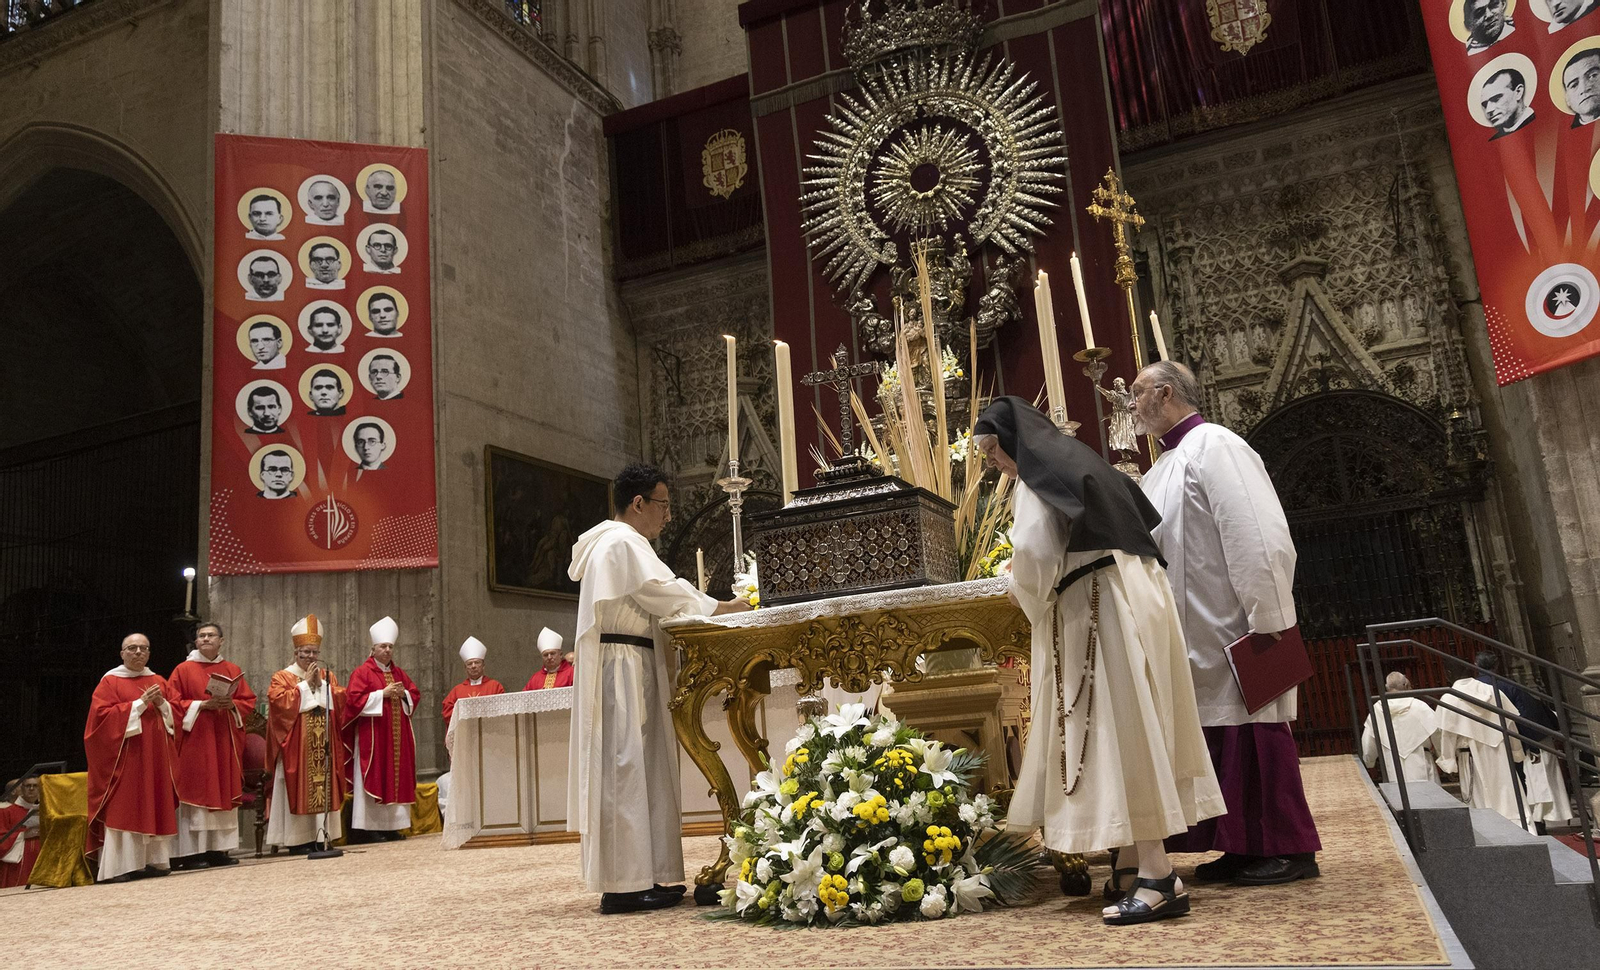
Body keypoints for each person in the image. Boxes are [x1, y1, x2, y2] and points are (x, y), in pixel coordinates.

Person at [972, 398, 1224, 927]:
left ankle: (1159, 876)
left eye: (994, 449)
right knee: (1139, 724)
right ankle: (1133, 862)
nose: (992, 460)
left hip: (1095, 609)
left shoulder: (1035, 480)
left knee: (1117, 730)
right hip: (1134, 597)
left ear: (1017, 442)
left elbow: (1035, 559)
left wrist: (1027, 596)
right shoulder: (1086, 463)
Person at [1130, 360, 1323, 887]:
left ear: (1165, 393)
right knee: (1220, 738)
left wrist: (1269, 618)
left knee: (1254, 733)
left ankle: (1287, 847)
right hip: (1193, 631)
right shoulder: (1166, 463)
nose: (1131, 404)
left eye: (1138, 393)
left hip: (1235, 625)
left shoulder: (1218, 446)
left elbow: (1257, 535)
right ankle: (1239, 845)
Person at [569, 462, 751, 914]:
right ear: (638, 503)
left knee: (640, 768)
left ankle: (648, 876)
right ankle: (624, 886)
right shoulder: (622, 542)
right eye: (664, 506)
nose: (668, 517)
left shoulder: (610, 541)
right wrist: (723, 607)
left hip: (633, 660)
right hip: (624, 667)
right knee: (626, 768)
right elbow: (663, 592)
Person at [84, 633, 180, 882]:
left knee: (154, 801)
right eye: (132, 648)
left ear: (149, 653)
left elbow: (175, 716)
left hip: (155, 755)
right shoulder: (110, 682)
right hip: (126, 758)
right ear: (122, 653)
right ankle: (120, 867)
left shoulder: (158, 680)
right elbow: (100, 721)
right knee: (126, 806)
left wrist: (162, 704)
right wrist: (138, 704)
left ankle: (153, 861)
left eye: (143, 648)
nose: (138, 652)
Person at [163, 622, 258, 871]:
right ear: (196, 642)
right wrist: (201, 706)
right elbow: (172, 705)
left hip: (223, 739)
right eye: (201, 636)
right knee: (196, 792)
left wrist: (231, 704)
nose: (205, 639)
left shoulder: (231, 668)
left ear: (221, 641)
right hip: (196, 741)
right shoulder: (183, 670)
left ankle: (218, 850)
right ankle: (191, 852)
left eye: (210, 635)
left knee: (223, 789)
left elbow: (247, 701)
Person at [265, 614, 349, 853]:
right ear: (296, 653)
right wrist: (305, 686)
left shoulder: (327, 676)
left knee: (323, 785)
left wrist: (320, 686)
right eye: (306, 653)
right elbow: (278, 703)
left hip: (323, 745)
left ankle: (321, 837)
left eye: (314, 653)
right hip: (296, 748)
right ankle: (298, 840)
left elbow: (341, 698)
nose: (311, 657)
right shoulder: (282, 676)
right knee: (299, 786)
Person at [343, 616, 419, 843]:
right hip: (373, 737)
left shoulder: (399, 674)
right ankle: (369, 828)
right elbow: (353, 701)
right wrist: (381, 694)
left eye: (390, 647)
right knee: (376, 776)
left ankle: (391, 827)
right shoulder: (362, 673)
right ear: (373, 649)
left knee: (395, 777)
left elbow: (414, 693)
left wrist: (403, 694)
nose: (387, 650)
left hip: (396, 736)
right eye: (383, 646)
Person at [1475, 652, 1572, 829]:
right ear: (1497, 666)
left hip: (1487, 745)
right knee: (1531, 782)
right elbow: (1526, 714)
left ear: (1476, 665)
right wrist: (1530, 744)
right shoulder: (1506, 685)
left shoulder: (1473, 689)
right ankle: (1536, 822)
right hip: (1522, 740)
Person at [1437, 660, 1528, 828]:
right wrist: (1516, 751)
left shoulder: (1450, 698)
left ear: (1448, 674)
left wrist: (1449, 762)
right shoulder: (1493, 691)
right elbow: (1511, 724)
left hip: (1470, 755)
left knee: (1480, 799)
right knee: (1507, 797)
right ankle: (1520, 830)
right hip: (1500, 751)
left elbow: (1447, 734)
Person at [1360, 672, 1440, 785]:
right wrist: (1444, 756)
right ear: (1406, 685)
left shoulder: (1377, 709)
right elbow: (1437, 733)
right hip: (1421, 759)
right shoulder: (1420, 706)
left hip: (1393, 763)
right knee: (1427, 798)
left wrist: (1369, 761)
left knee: (1400, 797)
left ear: (1387, 688)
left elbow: (1369, 742)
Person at [441, 636, 506, 728]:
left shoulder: (495, 686)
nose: (473, 666)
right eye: (469, 664)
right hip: (465, 732)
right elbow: (447, 712)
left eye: (477, 662)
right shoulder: (457, 690)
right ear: (465, 668)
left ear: (483, 666)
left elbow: (503, 709)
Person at [0, 775, 42, 888]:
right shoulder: (6, 812)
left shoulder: (46, 811)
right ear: (21, 789)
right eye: (28, 786)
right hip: (18, 865)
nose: (32, 789)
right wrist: (22, 835)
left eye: (35, 786)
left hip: (41, 860)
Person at [1482, 68, 1535, 139]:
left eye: (1496, 99)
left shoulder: (1545, 123)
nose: (1488, 110)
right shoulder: (1494, 141)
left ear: (1518, 92)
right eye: (1485, 104)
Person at [1563, 49, 1600, 127]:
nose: (1584, 88)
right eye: (1574, 85)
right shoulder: (1565, 136)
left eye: (1592, 76)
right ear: (1567, 99)